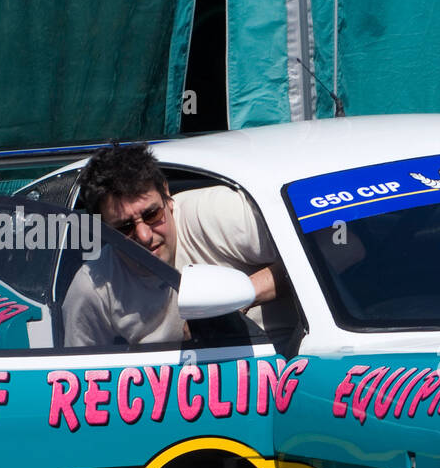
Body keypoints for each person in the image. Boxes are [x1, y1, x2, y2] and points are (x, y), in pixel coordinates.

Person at [61, 143, 290, 345]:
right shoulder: (92, 289)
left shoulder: (215, 213)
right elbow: (81, 380)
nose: (143, 235)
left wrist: (244, 293)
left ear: (167, 196)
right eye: (124, 228)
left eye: (151, 215)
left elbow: (316, 258)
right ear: (102, 230)